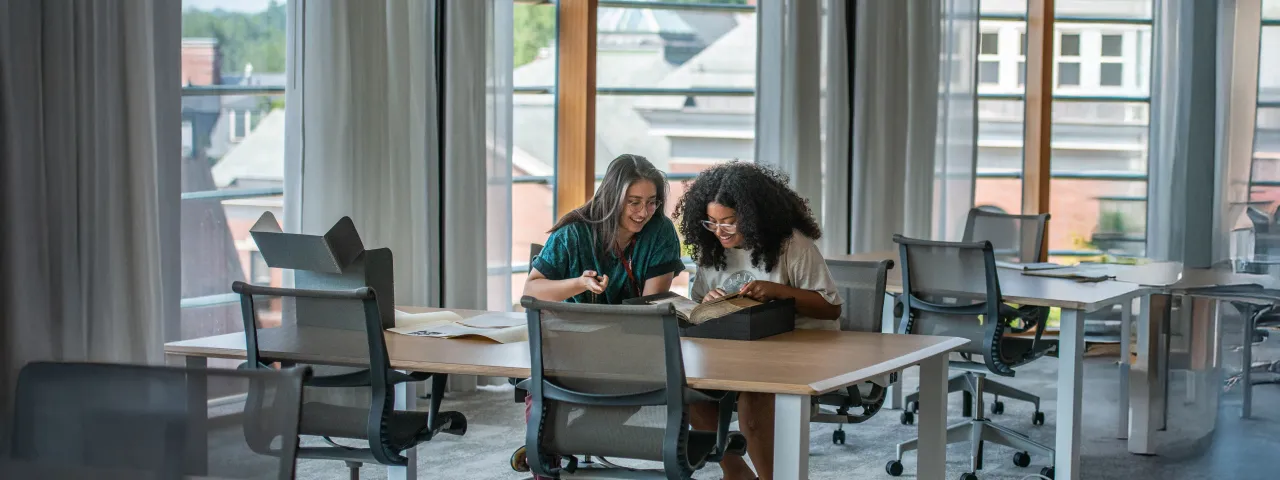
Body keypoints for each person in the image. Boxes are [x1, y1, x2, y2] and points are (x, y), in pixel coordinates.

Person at [675, 161, 843, 480]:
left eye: (729, 222)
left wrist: (779, 291)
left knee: (755, 395)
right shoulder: (712, 249)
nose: (720, 231)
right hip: (739, 348)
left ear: (752, 218)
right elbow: (697, 303)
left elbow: (831, 308)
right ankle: (735, 470)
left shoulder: (792, 245)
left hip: (797, 347)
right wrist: (707, 302)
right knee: (688, 389)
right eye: (711, 223)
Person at [523, 154, 686, 303]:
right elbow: (531, 292)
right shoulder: (572, 234)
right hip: (574, 330)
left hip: (634, 331)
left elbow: (650, 308)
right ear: (611, 199)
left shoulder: (660, 230)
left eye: (651, 202)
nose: (644, 213)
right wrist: (580, 283)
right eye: (634, 202)